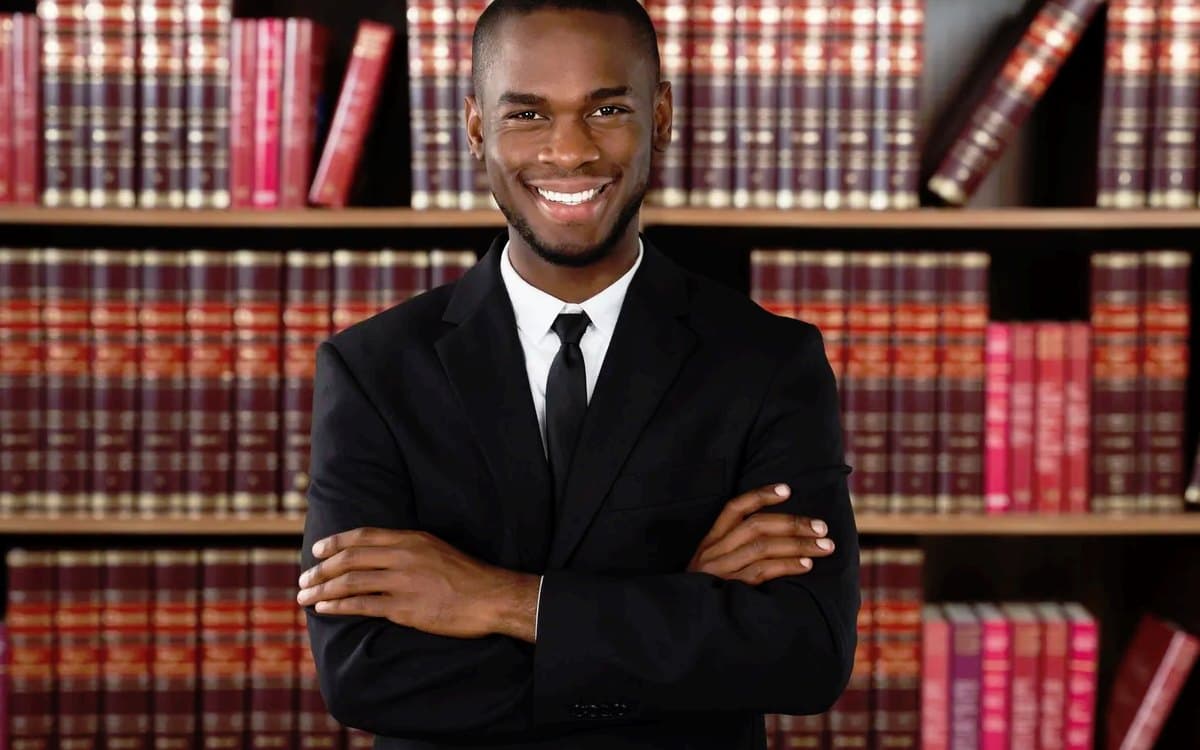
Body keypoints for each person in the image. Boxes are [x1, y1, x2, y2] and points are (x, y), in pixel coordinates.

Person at [296, 1, 860, 747]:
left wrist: (502, 602)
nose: (569, 152)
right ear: (475, 128)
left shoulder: (767, 362)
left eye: (608, 108)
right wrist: (682, 608)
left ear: (660, 117)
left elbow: (803, 656)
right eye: (528, 114)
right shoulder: (372, 370)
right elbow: (366, 672)